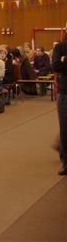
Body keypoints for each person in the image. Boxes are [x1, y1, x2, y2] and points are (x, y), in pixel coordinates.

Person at [51, 33, 67, 176]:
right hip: (65, 93)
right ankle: (65, 163)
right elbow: (56, 65)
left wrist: (65, 61)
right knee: (65, 129)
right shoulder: (60, 47)